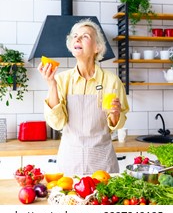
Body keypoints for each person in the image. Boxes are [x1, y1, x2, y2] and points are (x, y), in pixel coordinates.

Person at [38, 19, 129, 176]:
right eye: (75, 36)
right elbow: (57, 123)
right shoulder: (61, 80)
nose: (77, 39)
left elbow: (117, 124)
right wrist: (51, 84)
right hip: (70, 162)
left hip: (102, 162)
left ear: (97, 47)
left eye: (85, 36)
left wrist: (115, 114)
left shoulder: (112, 81)